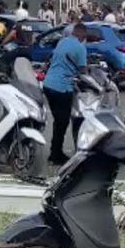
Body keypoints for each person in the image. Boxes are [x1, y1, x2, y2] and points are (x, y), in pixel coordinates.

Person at [43, 23, 88, 165]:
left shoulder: (62, 41)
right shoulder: (80, 48)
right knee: (62, 122)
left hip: (48, 84)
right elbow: (83, 71)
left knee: (59, 121)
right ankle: (55, 155)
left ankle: (55, 152)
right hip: (62, 88)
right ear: (82, 35)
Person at [1, 6, 34, 76]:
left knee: (4, 59)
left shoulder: (18, 25)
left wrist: (3, 43)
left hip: (19, 49)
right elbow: (32, 38)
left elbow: (11, 35)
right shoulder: (30, 26)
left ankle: (5, 75)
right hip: (29, 50)